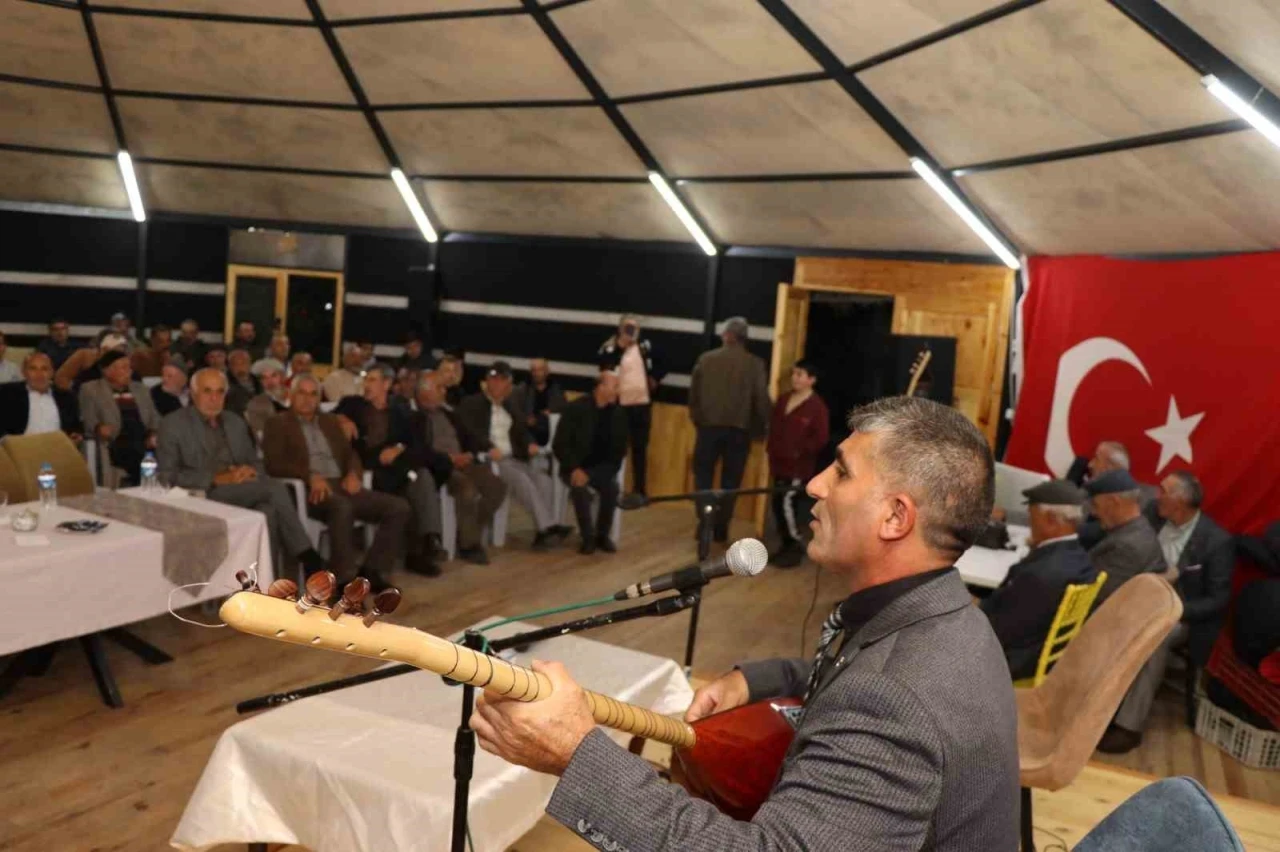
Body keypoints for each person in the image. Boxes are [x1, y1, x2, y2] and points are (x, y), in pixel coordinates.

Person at [470, 397, 1019, 851]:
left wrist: (576, 754)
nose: (815, 485)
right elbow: (858, 675)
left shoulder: (894, 698)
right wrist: (754, 679)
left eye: (842, 472)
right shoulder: (947, 618)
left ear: (896, 517)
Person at [1100, 470, 1236, 754]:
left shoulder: (1216, 541)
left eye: (1164, 491)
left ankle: (1128, 726)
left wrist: (1172, 610)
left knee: (1157, 636)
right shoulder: (1152, 513)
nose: (1156, 495)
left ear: (1181, 501)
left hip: (1179, 613)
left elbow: (1217, 599)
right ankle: (1097, 706)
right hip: (1135, 595)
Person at [157, 368, 328, 577]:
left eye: (220, 392)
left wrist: (249, 471)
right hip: (203, 492)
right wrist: (216, 478)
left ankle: (266, 581)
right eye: (207, 391)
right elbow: (167, 476)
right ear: (193, 394)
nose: (214, 399)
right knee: (274, 488)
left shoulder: (234, 421)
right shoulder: (173, 424)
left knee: (268, 512)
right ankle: (307, 555)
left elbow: (256, 462)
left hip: (243, 489)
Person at [263, 374, 411, 590]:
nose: (308, 399)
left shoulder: (330, 421)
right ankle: (343, 581)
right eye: (302, 393)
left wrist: (353, 473)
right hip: (309, 489)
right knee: (342, 507)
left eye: (313, 394)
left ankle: (372, 571)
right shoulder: (277, 423)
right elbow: (273, 464)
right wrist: (309, 475)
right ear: (291, 396)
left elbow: (351, 454)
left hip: (342, 484)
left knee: (398, 507)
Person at [337, 364, 449, 577]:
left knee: (420, 475)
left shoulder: (399, 409)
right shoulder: (352, 404)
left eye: (372, 380)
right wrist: (342, 418)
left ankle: (422, 546)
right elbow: (327, 416)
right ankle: (424, 545)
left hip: (395, 463)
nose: (366, 384)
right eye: (366, 379)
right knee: (420, 478)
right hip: (368, 466)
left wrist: (398, 448)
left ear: (386, 384)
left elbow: (412, 439)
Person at [980, 479, 1096, 680]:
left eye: (1032, 515)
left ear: (1050, 519)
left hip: (1005, 661)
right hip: (1033, 654)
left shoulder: (1040, 574)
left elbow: (997, 631)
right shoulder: (1080, 559)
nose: (1030, 521)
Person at [456, 361, 566, 551]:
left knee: (543, 480)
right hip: (490, 459)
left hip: (513, 458)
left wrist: (529, 444)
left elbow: (522, 430)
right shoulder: (472, 403)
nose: (498, 385)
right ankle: (547, 528)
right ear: (487, 382)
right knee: (521, 479)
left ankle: (545, 528)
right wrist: (488, 446)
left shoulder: (510, 405)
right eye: (494, 380)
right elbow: (469, 432)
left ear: (508, 385)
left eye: (503, 381)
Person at [688, 316, 771, 541]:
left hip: (707, 429)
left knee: (703, 478)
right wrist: (763, 428)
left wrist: (698, 420)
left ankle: (704, 522)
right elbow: (761, 400)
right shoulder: (755, 364)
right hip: (739, 432)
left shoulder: (706, 359)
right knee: (731, 482)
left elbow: (693, 397)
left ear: (726, 335)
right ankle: (721, 527)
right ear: (745, 338)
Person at [415, 371, 507, 565]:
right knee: (467, 489)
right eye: (439, 387)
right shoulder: (415, 417)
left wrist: (485, 448)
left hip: (464, 461)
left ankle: (466, 531)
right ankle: (469, 545)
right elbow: (420, 450)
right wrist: (449, 459)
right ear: (425, 391)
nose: (444, 391)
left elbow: (470, 436)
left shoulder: (448, 413)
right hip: (441, 468)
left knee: (497, 486)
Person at [553, 371, 629, 555]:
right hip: (574, 467)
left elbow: (618, 454)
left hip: (601, 469)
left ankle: (602, 536)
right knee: (580, 489)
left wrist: (592, 474)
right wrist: (574, 469)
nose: (618, 391)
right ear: (600, 387)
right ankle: (588, 538)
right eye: (615, 386)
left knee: (612, 489)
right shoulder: (576, 408)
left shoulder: (618, 414)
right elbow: (560, 444)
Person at [765, 359, 830, 567]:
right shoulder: (784, 399)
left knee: (786, 504)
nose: (795, 378)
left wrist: (798, 452)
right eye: (794, 373)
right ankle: (786, 545)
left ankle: (795, 545)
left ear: (811, 380)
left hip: (797, 468)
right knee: (777, 504)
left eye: (800, 374)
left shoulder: (817, 407)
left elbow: (821, 438)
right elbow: (774, 429)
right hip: (778, 464)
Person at [598, 315, 664, 505]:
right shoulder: (610, 347)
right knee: (615, 447)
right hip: (619, 405)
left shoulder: (645, 347)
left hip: (642, 404)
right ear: (620, 328)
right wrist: (621, 346)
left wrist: (655, 378)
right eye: (628, 327)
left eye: (635, 328)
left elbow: (665, 361)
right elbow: (604, 366)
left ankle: (639, 490)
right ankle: (610, 487)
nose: (632, 331)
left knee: (640, 448)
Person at [1085, 469, 1167, 606]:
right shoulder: (1140, 528)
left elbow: (1094, 595)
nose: (1093, 512)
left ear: (1113, 502)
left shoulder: (1126, 547)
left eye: (1095, 505)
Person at [79, 351, 161, 485]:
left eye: (129, 367)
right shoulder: (91, 390)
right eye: (123, 367)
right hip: (116, 440)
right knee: (135, 453)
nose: (129, 371)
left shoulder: (141, 389)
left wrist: (153, 433)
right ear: (107, 371)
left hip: (143, 438)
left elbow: (154, 417)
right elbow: (89, 421)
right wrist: (99, 428)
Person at [1075, 441, 1158, 548]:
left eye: (1096, 459)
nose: (1090, 465)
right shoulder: (1087, 490)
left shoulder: (1146, 500)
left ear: (1110, 468)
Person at [0, 352, 82, 439]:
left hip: (57, 446)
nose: (39, 374)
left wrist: (76, 436)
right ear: (23, 372)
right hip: (20, 446)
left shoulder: (67, 398)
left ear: (52, 372)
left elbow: (75, 429)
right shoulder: (6, 394)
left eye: (44, 369)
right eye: (33, 368)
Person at [516, 357, 566, 448]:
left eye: (540, 370)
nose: (536, 373)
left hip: (551, 434)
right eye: (533, 370)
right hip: (528, 435)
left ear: (547, 371)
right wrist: (525, 420)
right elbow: (516, 412)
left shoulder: (557, 390)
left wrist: (547, 415)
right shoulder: (523, 389)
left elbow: (562, 412)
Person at [54, 331, 129, 392]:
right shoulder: (85, 356)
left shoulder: (126, 363)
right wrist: (78, 391)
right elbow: (60, 378)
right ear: (104, 349)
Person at [244, 358, 289, 436]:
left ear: (282, 377)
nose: (269, 382)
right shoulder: (256, 404)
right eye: (264, 378)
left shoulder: (297, 395)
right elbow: (261, 435)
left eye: (273, 376)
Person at [225, 348, 259, 416]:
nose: (240, 367)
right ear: (230, 366)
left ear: (250, 364)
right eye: (235, 364)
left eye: (244, 363)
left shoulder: (260, 382)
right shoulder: (225, 386)